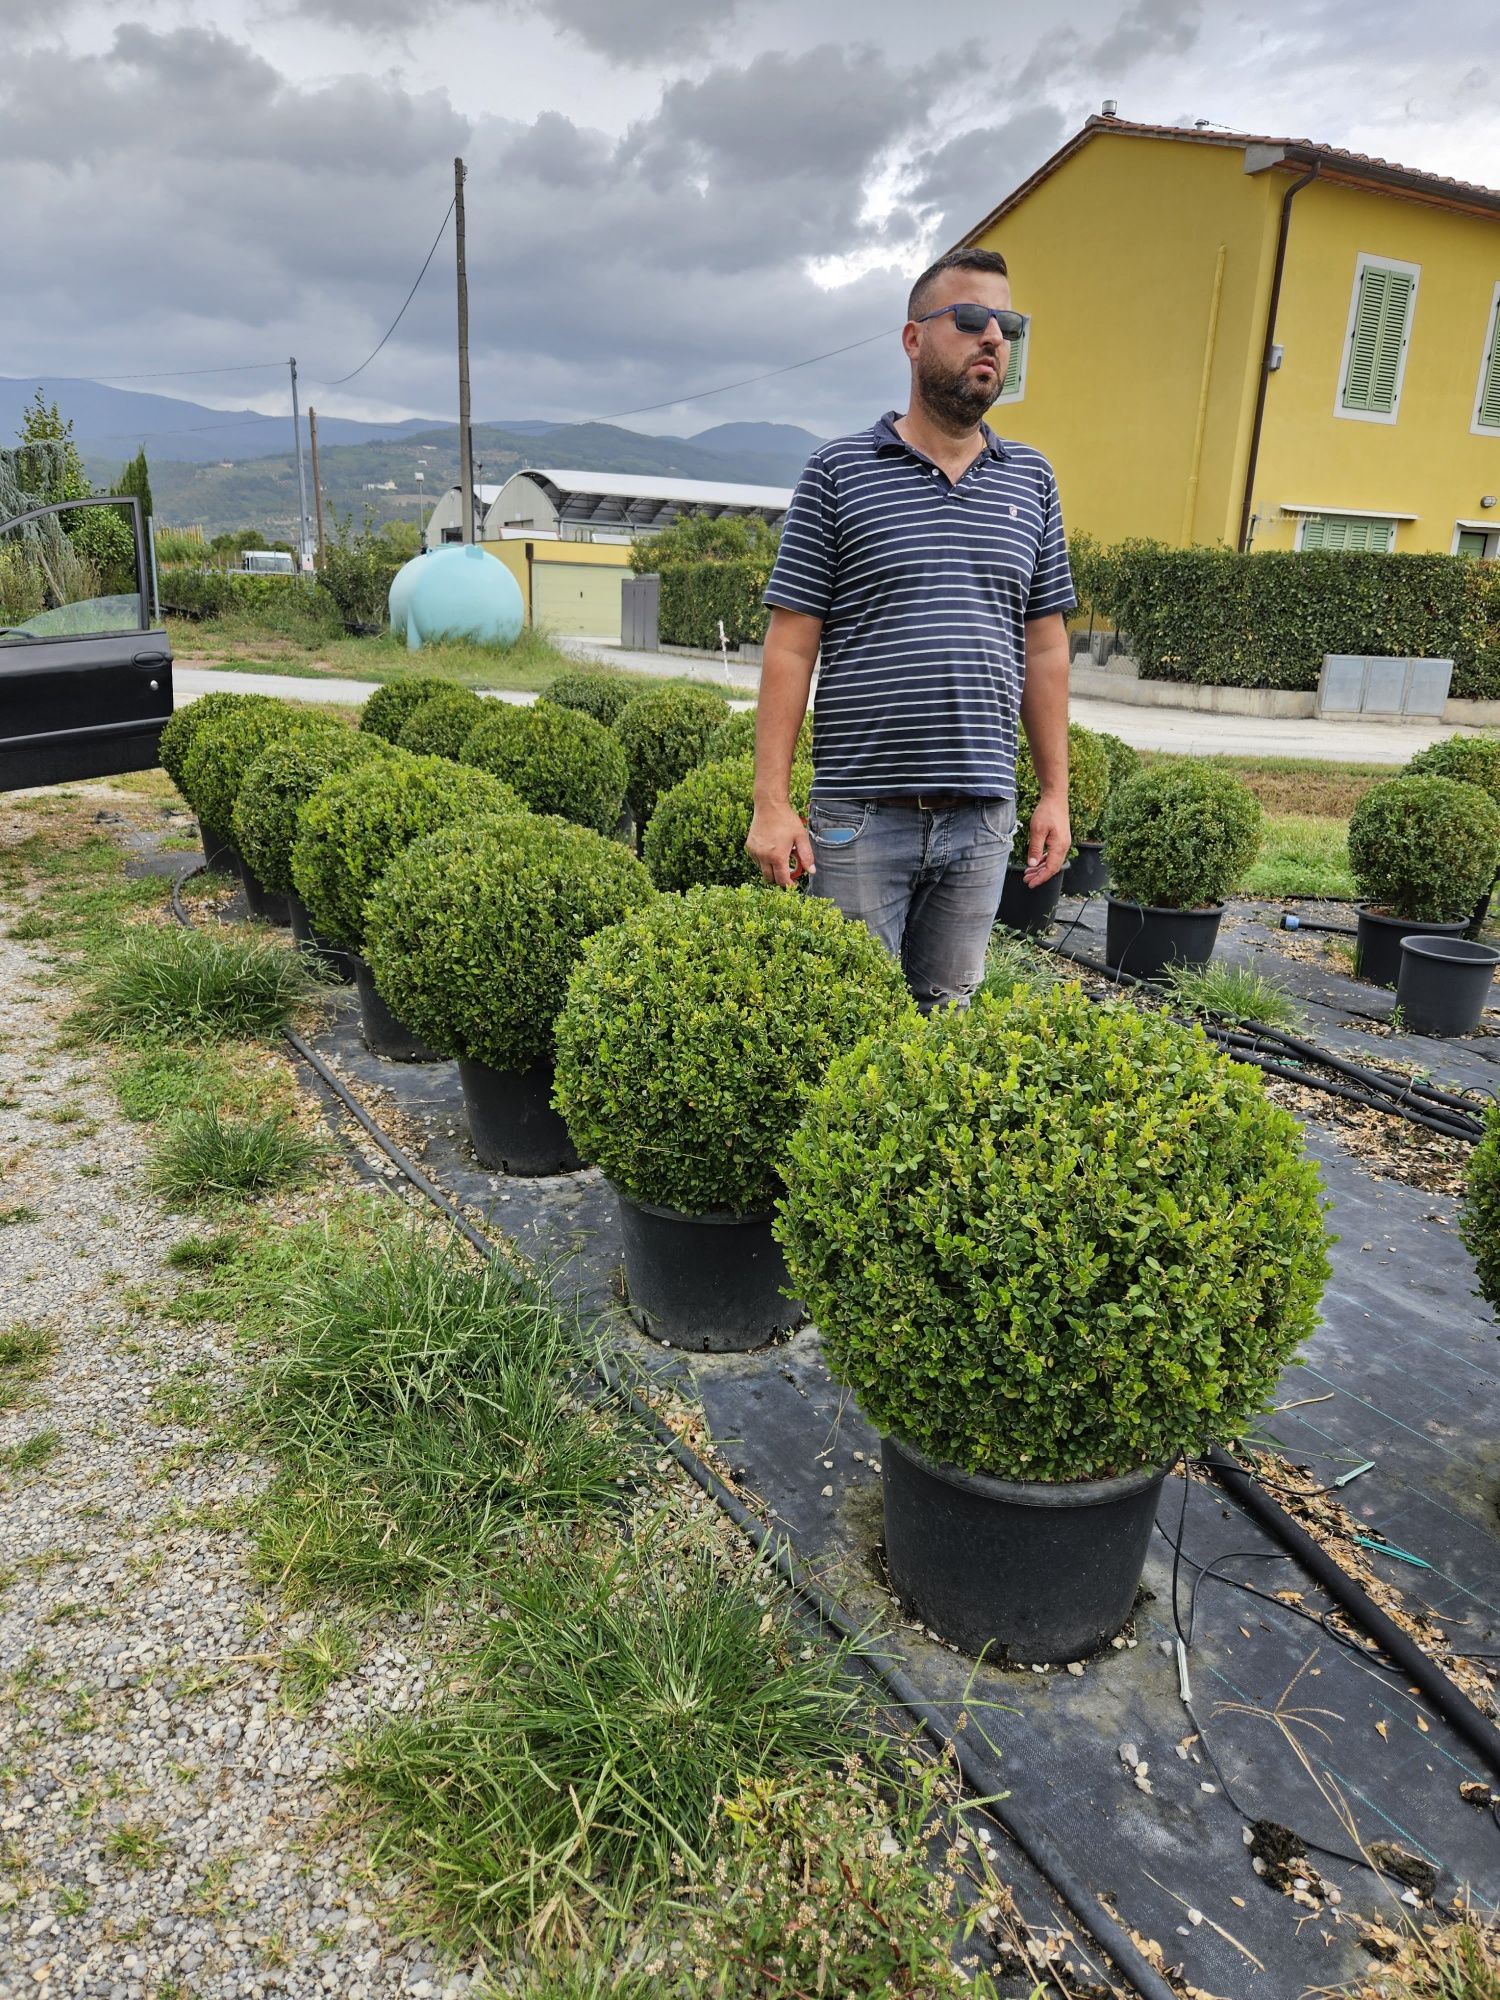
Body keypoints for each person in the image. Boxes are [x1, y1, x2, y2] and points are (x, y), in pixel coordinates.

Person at [746, 245, 1075, 1012]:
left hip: (982, 820)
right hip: (860, 817)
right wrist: (772, 799)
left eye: (1008, 324)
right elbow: (792, 644)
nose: (993, 336)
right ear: (913, 338)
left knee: (945, 1033)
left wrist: (1055, 793)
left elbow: (1047, 646)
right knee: (849, 1027)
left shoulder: (1032, 480)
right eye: (969, 319)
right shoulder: (839, 472)